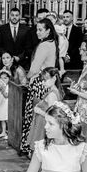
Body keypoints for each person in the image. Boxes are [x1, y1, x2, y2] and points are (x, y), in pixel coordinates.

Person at [20, 18, 58, 154]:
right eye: (37, 29)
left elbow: (35, 67)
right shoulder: (52, 43)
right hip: (47, 82)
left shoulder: (44, 45)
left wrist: (26, 77)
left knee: (34, 115)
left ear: (48, 31)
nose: (37, 32)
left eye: (41, 29)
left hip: (39, 82)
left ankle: (32, 147)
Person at [27, 67, 62, 150]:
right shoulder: (51, 91)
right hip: (41, 123)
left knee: (41, 150)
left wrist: (39, 111)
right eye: (42, 80)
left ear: (54, 78)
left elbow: (52, 116)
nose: (43, 83)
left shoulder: (52, 95)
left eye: (45, 80)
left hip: (44, 125)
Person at [0, 69, 10, 139]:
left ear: (9, 79)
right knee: (2, 119)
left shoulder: (8, 87)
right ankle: (3, 132)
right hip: (0, 103)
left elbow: (6, 96)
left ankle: (9, 133)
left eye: (5, 78)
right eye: (1, 78)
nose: (3, 80)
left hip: (5, 104)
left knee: (6, 119)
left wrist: (2, 89)